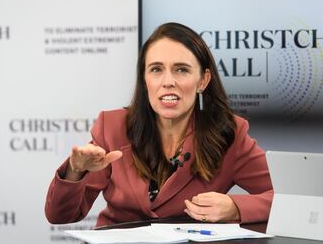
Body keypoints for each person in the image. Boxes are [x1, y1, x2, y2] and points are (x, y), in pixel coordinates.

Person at [45, 22, 273, 227]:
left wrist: (235, 207)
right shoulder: (112, 128)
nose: (168, 82)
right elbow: (60, 216)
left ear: (203, 81)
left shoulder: (229, 134)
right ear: (145, 80)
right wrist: (76, 171)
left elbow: (288, 199)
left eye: (181, 70)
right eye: (156, 69)